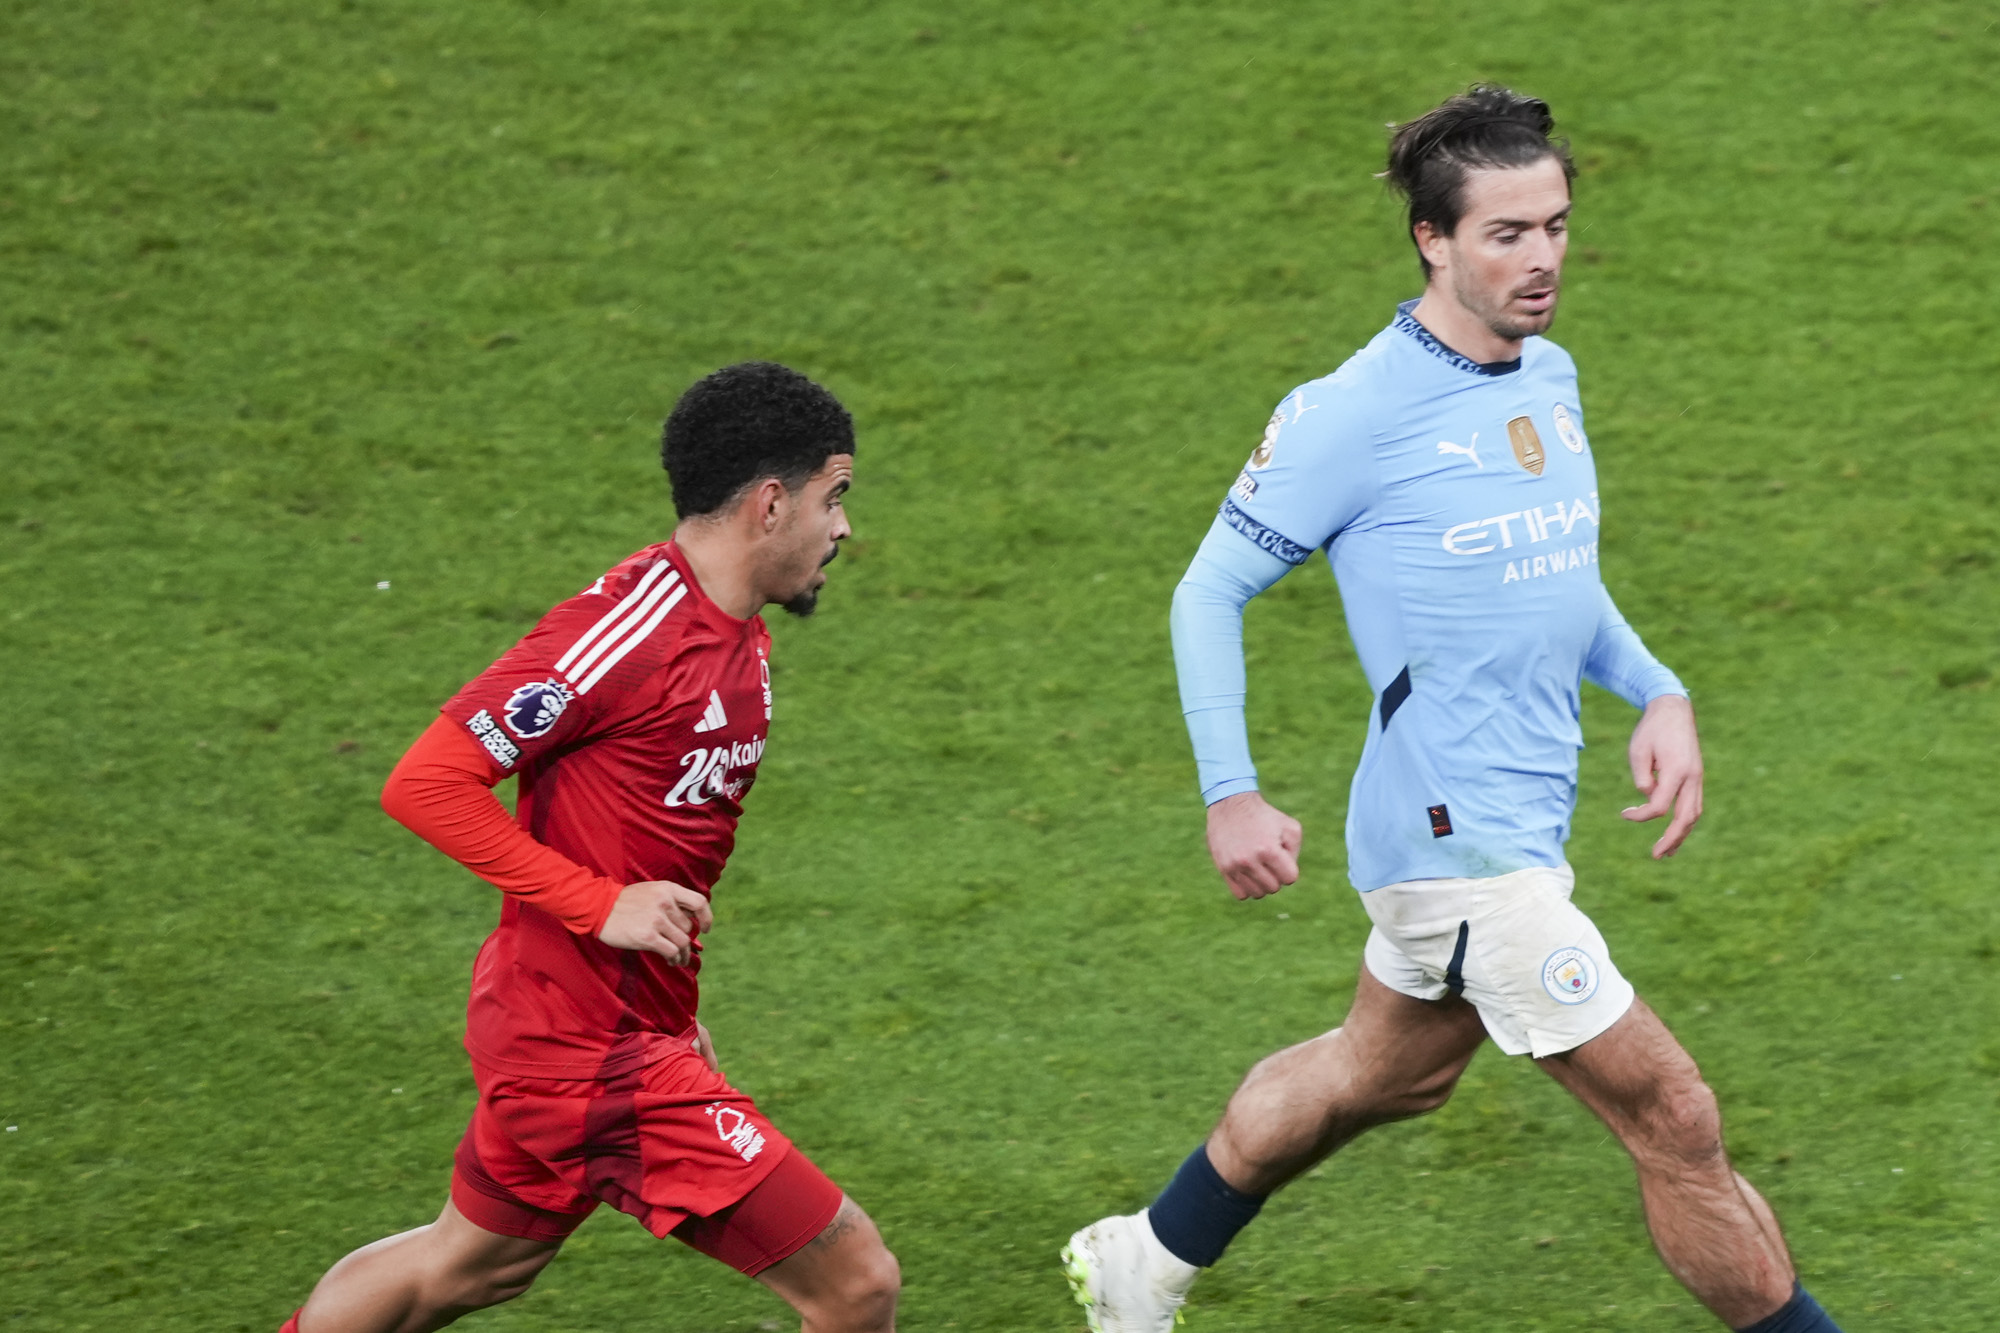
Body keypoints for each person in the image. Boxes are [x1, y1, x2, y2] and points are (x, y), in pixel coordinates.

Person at [1061, 86, 1844, 1333]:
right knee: (1671, 1114)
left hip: (1509, 822)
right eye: (1505, 234)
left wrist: (1654, 685)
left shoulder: (1547, 376)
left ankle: (1143, 1259)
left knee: (1379, 1074)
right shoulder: (1350, 414)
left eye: (1555, 227)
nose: (1540, 260)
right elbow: (1205, 589)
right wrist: (1231, 790)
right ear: (1430, 238)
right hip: (1453, 841)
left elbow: (1553, 576)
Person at [279, 362, 899, 1333]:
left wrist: (670, 1016)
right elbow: (426, 782)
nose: (844, 528)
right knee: (857, 1284)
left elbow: (652, 834)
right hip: (584, 1054)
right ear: (771, 503)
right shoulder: (625, 634)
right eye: (835, 497)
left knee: (460, 1269)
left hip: (591, 1027)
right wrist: (598, 906)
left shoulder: (736, 634)